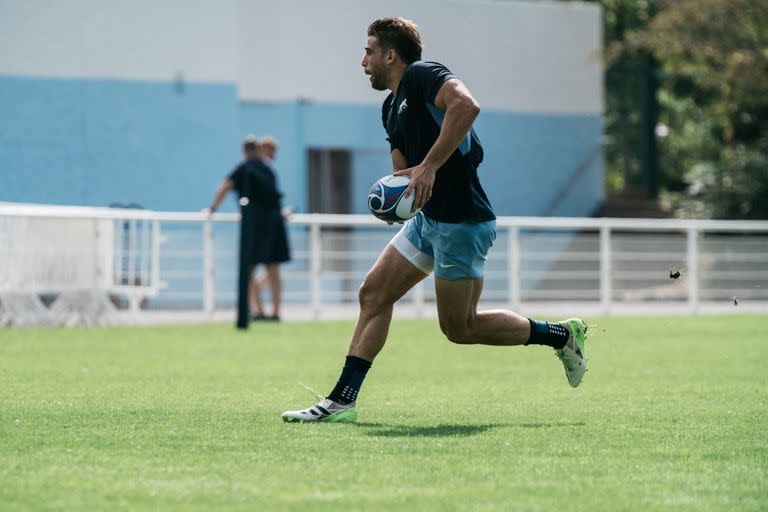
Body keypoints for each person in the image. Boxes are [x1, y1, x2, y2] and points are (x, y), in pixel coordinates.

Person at [282, 17, 587, 423]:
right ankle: (342, 401)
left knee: (460, 328)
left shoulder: (423, 75)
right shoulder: (390, 108)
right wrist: (394, 201)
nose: (363, 61)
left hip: (463, 222)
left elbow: (467, 106)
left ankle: (562, 335)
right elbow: (404, 173)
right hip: (428, 222)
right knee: (373, 294)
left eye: (369, 51)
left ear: (391, 54)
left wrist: (429, 167)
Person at [207, 135, 291, 321]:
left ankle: (259, 310)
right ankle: (276, 312)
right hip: (275, 223)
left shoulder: (243, 168)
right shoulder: (268, 168)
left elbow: (225, 187)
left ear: (244, 152)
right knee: (273, 269)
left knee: (248, 270)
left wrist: (212, 208)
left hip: (254, 225)